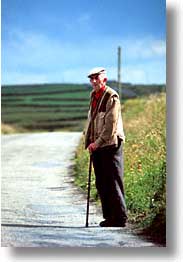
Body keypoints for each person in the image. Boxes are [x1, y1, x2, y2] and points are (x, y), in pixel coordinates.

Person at [85, 67, 128, 227]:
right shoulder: (94, 96)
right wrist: (89, 141)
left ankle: (120, 218)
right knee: (102, 182)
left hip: (111, 144)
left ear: (104, 79)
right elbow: (92, 120)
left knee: (113, 181)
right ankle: (110, 217)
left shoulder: (111, 96)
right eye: (91, 79)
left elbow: (110, 126)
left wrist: (96, 143)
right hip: (97, 146)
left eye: (97, 78)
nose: (94, 81)